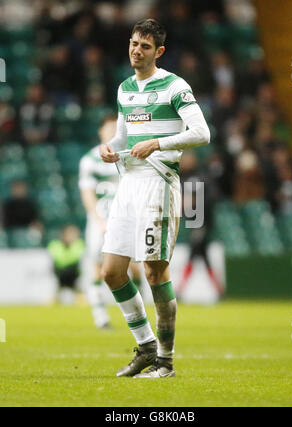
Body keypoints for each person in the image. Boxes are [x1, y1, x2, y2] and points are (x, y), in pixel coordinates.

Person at [100, 19, 210, 378]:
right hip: (128, 182)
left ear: (158, 52)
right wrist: (111, 149)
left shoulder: (175, 86)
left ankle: (166, 360)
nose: (136, 50)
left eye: (145, 46)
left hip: (159, 181)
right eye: (133, 43)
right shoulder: (125, 88)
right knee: (112, 272)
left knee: (153, 269)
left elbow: (201, 132)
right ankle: (145, 346)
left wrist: (159, 143)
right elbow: (122, 137)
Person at [79, 115, 143, 329]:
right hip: (101, 220)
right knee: (98, 267)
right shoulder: (89, 160)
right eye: (108, 128)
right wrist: (98, 220)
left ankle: (137, 312)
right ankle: (101, 317)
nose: (112, 131)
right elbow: (87, 193)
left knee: (133, 267)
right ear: (100, 131)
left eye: (116, 128)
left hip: (126, 217)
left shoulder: (128, 154)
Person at [48, 225, 85, 305]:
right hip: (60, 274)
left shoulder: (78, 244)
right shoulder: (55, 245)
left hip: (73, 274)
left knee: (79, 292)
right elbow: (60, 259)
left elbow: (73, 258)